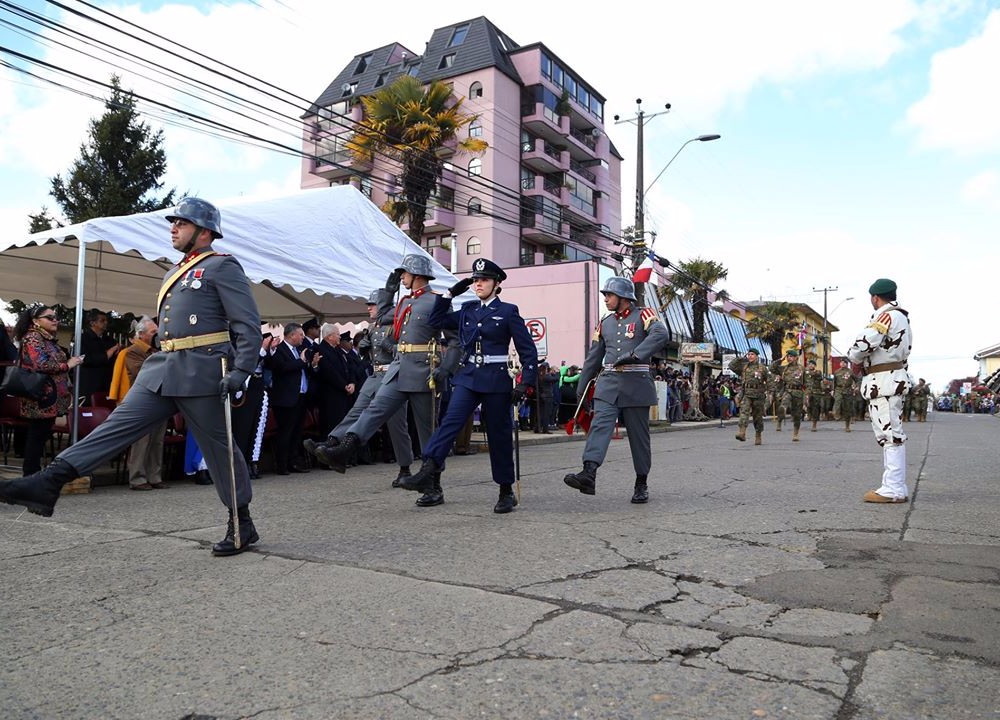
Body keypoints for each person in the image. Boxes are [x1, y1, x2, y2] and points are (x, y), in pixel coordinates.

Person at [0, 197, 263, 555]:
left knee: (219, 450)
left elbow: (247, 325)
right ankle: (49, 482)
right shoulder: (176, 271)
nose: (173, 227)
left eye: (181, 223)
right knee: (116, 427)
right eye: (173, 222)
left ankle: (241, 524)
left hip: (203, 371)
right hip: (163, 369)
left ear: (204, 232)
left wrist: (242, 369)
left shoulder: (222, 267)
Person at [311, 254, 460, 506]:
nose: (401, 277)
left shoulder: (437, 301)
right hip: (398, 368)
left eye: (404, 274)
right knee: (375, 409)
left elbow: (455, 341)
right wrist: (389, 292)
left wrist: (446, 368)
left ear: (417, 275)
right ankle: (345, 449)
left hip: (424, 371)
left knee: (427, 432)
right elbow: (381, 317)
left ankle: (433, 485)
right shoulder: (403, 302)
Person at [398, 259, 538, 513]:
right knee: (450, 422)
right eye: (475, 280)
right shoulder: (468, 310)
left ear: (497, 284)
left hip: (496, 380)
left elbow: (528, 351)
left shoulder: (508, 311)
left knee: (499, 435)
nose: (478, 284)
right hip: (469, 377)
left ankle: (505, 491)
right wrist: (450, 294)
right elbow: (435, 321)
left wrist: (525, 383)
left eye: (483, 279)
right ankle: (428, 471)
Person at [563, 277, 667, 503]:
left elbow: (661, 334)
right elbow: (593, 357)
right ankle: (589, 473)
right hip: (608, 384)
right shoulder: (605, 322)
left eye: (609, 295)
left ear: (623, 297)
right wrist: (581, 389)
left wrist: (635, 354)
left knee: (639, 438)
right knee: (599, 427)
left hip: (636, 383)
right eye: (604, 295)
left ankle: (641, 483)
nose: (605, 299)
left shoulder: (644, 315)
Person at [305, 289, 415, 486]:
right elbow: (366, 355)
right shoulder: (373, 327)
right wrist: (364, 348)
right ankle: (332, 442)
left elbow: (410, 350)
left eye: (372, 305)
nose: (369, 308)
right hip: (375, 375)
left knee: (397, 427)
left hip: (393, 376)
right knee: (356, 411)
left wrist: (390, 346)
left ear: (382, 306)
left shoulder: (399, 326)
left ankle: (405, 468)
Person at [846, 278, 913, 503]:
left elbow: (864, 343)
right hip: (891, 378)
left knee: (889, 434)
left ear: (875, 297)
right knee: (891, 432)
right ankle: (896, 486)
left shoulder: (886, 315)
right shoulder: (902, 316)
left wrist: (852, 357)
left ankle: (892, 488)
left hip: (883, 381)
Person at [10, 306, 84, 475]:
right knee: (36, 438)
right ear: (36, 321)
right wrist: (68, 365)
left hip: (49, 398)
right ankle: (31, 477)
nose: (55, 320)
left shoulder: (47, 339)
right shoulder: (33, 338)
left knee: (40, 436)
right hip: (40, 397)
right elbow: (41, 364)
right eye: (49, 317)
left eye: (55, 317)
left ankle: (33, 476)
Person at [111, 316, 168, 490]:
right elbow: (143, 371)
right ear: (141, 334)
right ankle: (137, 478)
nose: (157, 335)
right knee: (142, 441)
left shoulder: (156, 350)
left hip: (160, 399)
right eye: (153, 332)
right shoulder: (133, 351)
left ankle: (154, 476)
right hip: (142, 402)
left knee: (157, 440)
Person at [267, 322, 312, 475]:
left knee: (297, 431)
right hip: (286, 399)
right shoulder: (279, 350)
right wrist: (301, 361)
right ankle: (282, 464)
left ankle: (294, 461)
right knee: (285, 431)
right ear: (292, 335)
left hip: (300, 396)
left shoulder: (298, 350)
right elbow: (282, 368)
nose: (302, 337)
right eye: (300, 334)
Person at [77, 309, 121, 403]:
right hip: (89, 383)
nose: (106, 323)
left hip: (106, 383)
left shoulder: (109, 340)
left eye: (106, 321)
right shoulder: (83, 338)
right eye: (102, 321)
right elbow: (84, 359)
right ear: (93, 323)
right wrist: (106, 355)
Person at [730, 348, 770, 445]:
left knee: (757, 417)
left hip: (758, 394)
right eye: (748, 354)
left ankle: (758, 434)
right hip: (746, 394)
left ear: (756, 356)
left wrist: (769, 394)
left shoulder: (762, 368)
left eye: (752, 354)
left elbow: (769, 380)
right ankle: (742, 433)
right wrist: (739, 358)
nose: (750, 356)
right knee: (744, 412)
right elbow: (731, 366)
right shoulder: (744, 367)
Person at [770, 348, 806, 441]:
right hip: (787, 390)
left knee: (797, 415)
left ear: (795, 358)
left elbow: (807, 382)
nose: (789, 358)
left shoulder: (801, 368)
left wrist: (807, 395)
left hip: (798, 392)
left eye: (791, 356)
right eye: (788, 356)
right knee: (784, 403)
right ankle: (782, 413)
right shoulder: (784, 368)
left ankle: (795, 433)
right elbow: (771, 368)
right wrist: (780, 360)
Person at [832, 363, 859, 432]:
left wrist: (857, 387)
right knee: (838, 400)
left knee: (848, 409)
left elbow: (857, 380)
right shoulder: (836, 372)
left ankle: (847, 426)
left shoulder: (850, 371)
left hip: (848, 390)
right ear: (840, 364)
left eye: (844, 363)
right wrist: (833, 390)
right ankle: (836, 412)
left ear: (846, 364)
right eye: (842, 362)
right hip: (839, 389)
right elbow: (834, 382)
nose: (843, 364)